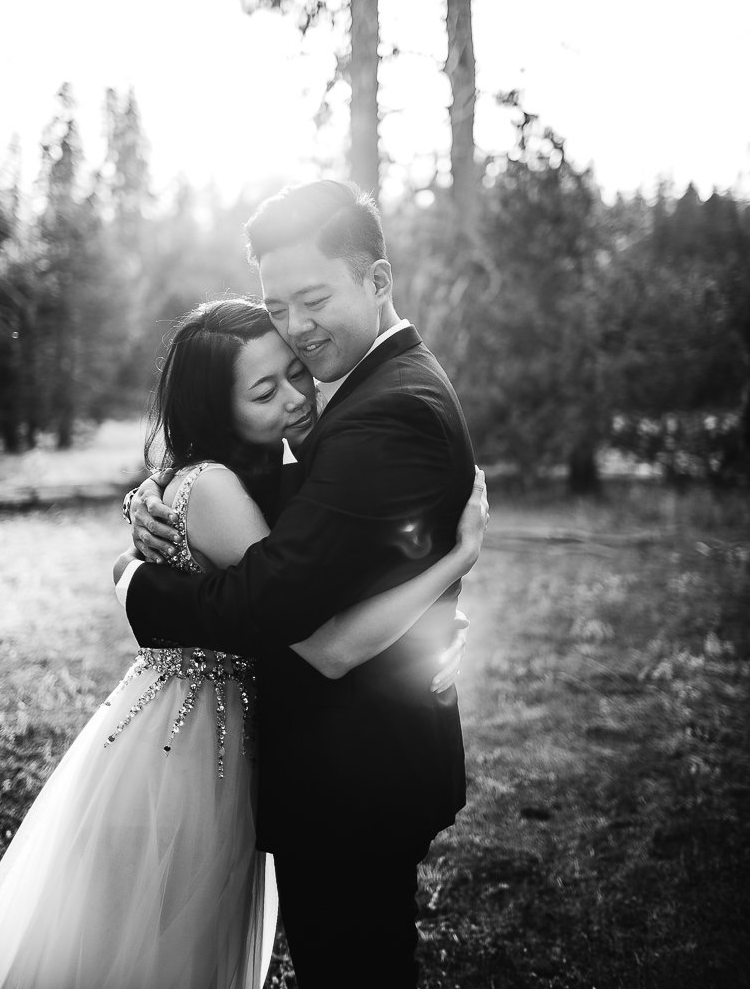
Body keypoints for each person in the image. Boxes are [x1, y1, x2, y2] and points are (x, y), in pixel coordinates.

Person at [0, 297, 484, 989]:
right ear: (217, 410)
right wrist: (457, 560)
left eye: (296, 373)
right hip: (190, 749)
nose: (297, 398)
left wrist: (437, 624)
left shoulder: (259, 474)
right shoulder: (220, 489)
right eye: (266, 391)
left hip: (219, 734)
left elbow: (335, 564)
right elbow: (324, 641)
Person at [122, 180, 481, 989]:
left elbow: (273, 601)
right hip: (347, 760)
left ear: (379, 281)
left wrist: (134, 584)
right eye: (277, 305)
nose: (297, 328)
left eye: (313, 299)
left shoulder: (387, 410)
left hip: (356, 770)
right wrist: (159, 502)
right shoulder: (361, 389)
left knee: (358, 965)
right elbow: (331, 540)